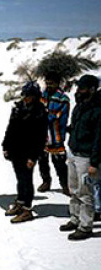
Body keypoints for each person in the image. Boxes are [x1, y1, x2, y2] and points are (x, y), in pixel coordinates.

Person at [59, 74, 101, 240]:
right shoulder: (79, 106)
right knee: (73, 189)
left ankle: (85, 226)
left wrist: (95, 162)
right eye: (78, 88)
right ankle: (74, 219)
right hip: (74, 152)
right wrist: (69, 130)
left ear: (92, 89)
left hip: (87, 157)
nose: (79, 91)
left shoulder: (98, 109)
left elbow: (99, 138)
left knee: (85, 192)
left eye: (82, 88)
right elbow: (77, 126)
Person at [2, 81, 48, 223]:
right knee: (20, 179)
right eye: (24, 95)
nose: (25, 98)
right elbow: (10, 128)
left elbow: (40, 138)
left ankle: (27, 210)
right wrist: (6, 146)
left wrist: (33, 157)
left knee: (27, 180)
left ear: (35, 96)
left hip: (29, 152)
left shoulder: (40, 112)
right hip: (16, 149)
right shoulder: (18, 108)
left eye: (28, 95)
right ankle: (20, 202)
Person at [37, 71, 70, 196]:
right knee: (42, 160)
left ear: (57, 83)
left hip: (55, 134)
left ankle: (65, 184)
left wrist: (45, 115)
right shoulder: (43, 95)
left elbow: (60, 117)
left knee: (59, 162)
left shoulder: (63, 99)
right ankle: (46, 181)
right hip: (42, 134)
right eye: (47, 83)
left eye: (51, 83)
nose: (48, 86)